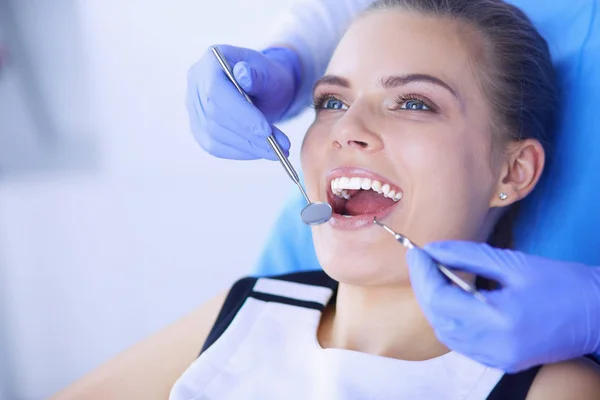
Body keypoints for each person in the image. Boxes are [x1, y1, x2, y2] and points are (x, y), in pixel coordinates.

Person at [52, 1, 600, 398]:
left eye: (412, 104)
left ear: (513, 169)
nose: (347, 127)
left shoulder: (554, 386)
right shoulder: (246, 312)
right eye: (331, 100)